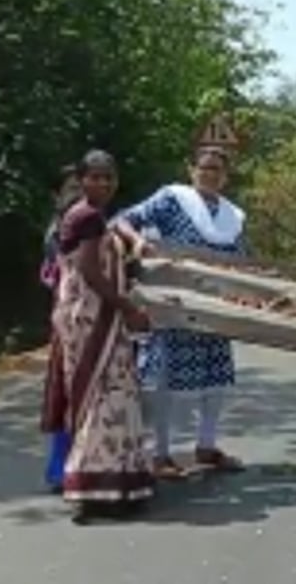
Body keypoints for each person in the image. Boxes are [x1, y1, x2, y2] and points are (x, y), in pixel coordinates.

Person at [116, 146, 247, 477]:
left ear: (225, 176)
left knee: (215, 380)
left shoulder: (233, 217)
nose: (209, 174)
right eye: (204, 168)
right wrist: (136, 243)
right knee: (164, 380)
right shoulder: (171, 199)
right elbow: (122, 220)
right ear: (192, 170)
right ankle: (160, 454)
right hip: (172, 305)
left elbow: (240, 261)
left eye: (217, 169)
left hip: (213, 309)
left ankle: (206, 445)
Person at [52, 150, 153, 519]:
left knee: (108, 397)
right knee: (107, 400)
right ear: (82, 180)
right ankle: (99, 489)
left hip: (89, 316)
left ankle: (111, 486)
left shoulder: (87, 215)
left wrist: (135, 240)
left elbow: (115, 232)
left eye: (109, 177)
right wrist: (128, 307)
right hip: (94, 317)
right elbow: (90, 271)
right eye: (95, 177)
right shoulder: (88, 217)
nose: (104, 183)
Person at [41, 164, 80, 493]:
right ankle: (60, 469)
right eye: (70, 187)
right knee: (67, 395)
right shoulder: (58, 232)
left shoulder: (97, 223)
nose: (78, 191)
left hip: (97, 323)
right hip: (71, 324)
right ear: (57, 195)